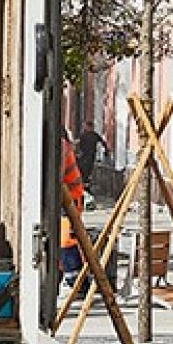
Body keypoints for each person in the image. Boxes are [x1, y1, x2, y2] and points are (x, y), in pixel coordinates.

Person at [60, 129, 85, 286]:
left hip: (71, 197)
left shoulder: (61, 146)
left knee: (66, 240)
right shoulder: (63, 145)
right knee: (66, 238)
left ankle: (75, 279)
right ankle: (73, 276)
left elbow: (59, 174)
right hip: (69, 196)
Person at [75, 122, 109, 194]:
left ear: (88, 127)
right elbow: (103, 143)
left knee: (83, 173)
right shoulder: (94, 135)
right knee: (87, 173)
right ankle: (85, 189)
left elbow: (78, 143)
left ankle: (84, 189)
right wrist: (106, 151)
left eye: (86, 127)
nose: (85, 128)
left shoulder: (85, 135)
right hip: (90, 158)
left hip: (84, 158)